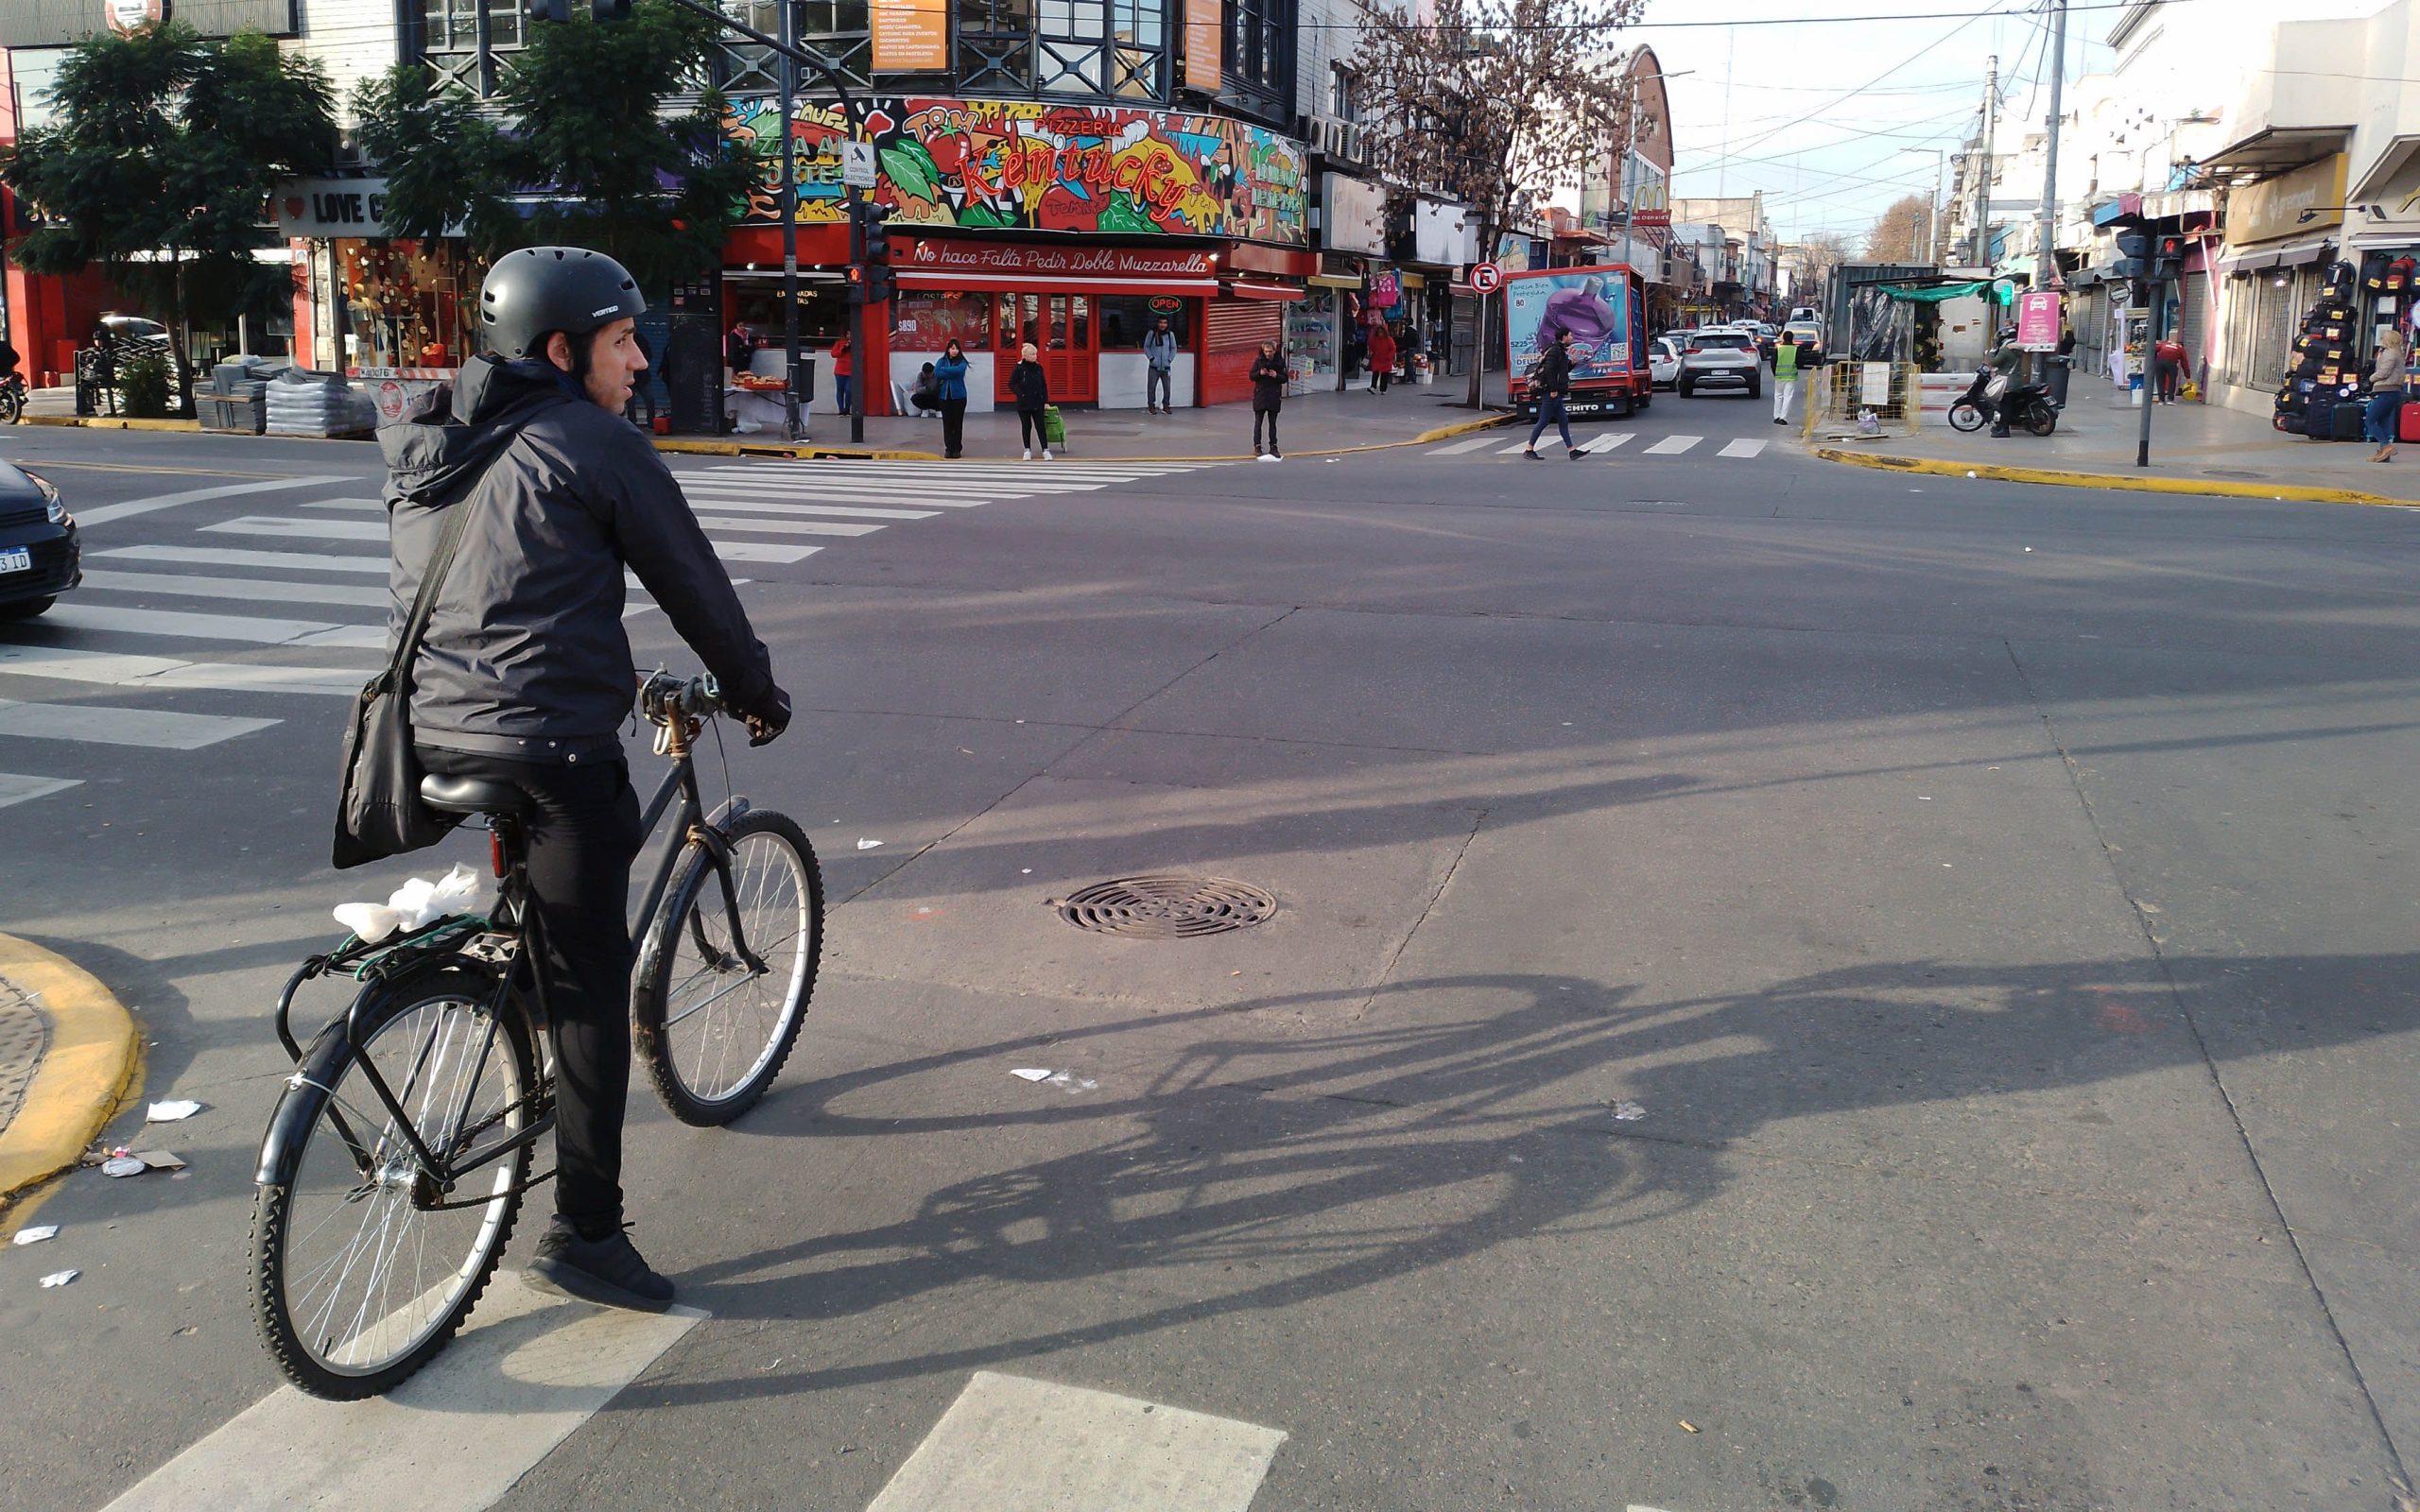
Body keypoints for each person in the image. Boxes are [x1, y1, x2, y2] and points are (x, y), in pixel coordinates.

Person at [384, 246, 790, 1313]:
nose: (639, 359)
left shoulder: (434, 437)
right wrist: (756, 691)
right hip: (553, 754)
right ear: (561, 352)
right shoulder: (593, 441)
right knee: (590, 990)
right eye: (620, 341)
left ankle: (504, 1013)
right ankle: (586, 1232)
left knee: (548, 925)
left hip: (435, 740)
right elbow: (690, 578)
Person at [1523, 328, 1582, 460]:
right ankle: (1529, 449)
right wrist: (1553, 389)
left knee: (1563, 420)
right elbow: (1549, 371)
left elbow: (1561, 371)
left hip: (1557, 392)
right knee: (1543, 421)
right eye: (1570, 335)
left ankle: (1572, 450)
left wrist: (1572, 364)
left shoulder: (1561, 351)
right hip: (1550, 392)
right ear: (1564, 337)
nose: (1572, 338)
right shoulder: (1555, 351)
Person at [2365, 326, 2407, 462]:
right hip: (2392, 391)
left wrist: (2370, 378)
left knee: (2370, 420)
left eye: (2383, 338)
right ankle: (2384, 453)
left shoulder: (2390, 354)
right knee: (2382, 421)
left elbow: (2384, 372)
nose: (2381, 340)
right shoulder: (2397, 353)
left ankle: (2386, 446)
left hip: (2387, 391)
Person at [1010, 340, 1053, 460]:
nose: (1035, 356)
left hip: (1038, 402)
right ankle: (1027, 449)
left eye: (1035, 354)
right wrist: (1021, 394)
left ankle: (1045, 449)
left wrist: (1046, 401)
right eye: (1033, 354)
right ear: (1026, 356)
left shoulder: (1039, 368)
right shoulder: (1019, 368)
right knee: (1026, 426)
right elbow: (1012, 384)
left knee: (1040, 426)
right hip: (1024, 403)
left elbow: (1043, 385)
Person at [933, 339, 971, 458]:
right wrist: (948, 371)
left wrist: (944, 370)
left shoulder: (962, 362)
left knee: (957, 423)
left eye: (956, 348)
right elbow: (937, 373)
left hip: (959, 397)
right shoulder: (942, 361)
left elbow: (959, 372)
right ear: (948, 349)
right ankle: (948, 448)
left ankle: (957, 448)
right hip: (944, 397)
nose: (954, 351)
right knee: (947, 423)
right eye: (952, 348)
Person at [1250, 339, 1286, 459]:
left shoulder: (1280, 362)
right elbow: (1251, 376)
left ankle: (1273, 446)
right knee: (1258, 423)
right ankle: (1257, 446)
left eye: (1270, 351)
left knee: (1272, 423)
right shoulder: (1258, 361)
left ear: (1274, 351)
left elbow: (1285, 378)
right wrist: (1260, 373)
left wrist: (1276, 376)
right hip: (1261, 395)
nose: (1268, 354)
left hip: (1273, 395)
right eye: (1266, 351)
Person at [1986, 328, 2023, 438]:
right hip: (2015, 380)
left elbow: (1994, 362)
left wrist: (1991, 352)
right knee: (2007, 405)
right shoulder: (2017, 350)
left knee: (2005, 406)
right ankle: (2000, 426)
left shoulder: (2005, 351)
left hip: (2007, 383)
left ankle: (2004, 430)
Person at [624, 327, 657, 431]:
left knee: (650, 398)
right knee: (630, 402)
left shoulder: (640, 339)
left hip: (642, 377)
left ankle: (651, 422)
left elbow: (648, 354)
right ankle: (632, 423)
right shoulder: (622, 341)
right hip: (629, 376)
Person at [1143, 318, 1179, 414]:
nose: (1163, 325)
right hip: (1154, 367)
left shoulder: (1170, 334)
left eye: (1165, 323)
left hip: (1166, 367)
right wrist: (1151, 358)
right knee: (1151, 387)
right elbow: (1146, 346)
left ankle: (1166, 406)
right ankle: (1151, 406)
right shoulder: (1152, 333)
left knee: (1167, 388)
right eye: (1161, 322)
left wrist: (1169, 359)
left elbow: (1173, 348)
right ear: (1157, 323)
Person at [1772, 331, 1800, 426]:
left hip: (1779, 376)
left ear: (1783, 338)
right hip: (1791, 376)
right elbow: (1799, 363)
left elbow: (1773, 363)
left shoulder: (1778, 349)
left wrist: (1775, 373)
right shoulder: (1795, 350)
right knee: (1788, 397)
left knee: (1778, 396)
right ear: (1792, 338)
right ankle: (1783, 418)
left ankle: (1776, 416)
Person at [2153, 334, 2187, 404]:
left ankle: (2161, 400)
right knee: (2172, 380)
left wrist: (2155, 360)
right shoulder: (2180, 348)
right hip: (2171, 363)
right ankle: (2170, 399)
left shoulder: (2165, 343)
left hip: (2160, 362)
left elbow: (2155, 349)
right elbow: (2185, 363)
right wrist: (2188, 376)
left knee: (2160, 381)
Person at [1367, 320, 1397, 394]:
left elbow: (1393, 348)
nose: (1380, 334)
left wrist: (1389, 356)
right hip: (1377, 358)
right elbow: (1371, 346)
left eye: (1381, 332)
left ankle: (1383, 389)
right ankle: (1373, 387)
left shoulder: (1388, 339)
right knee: (1375, 372)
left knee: (1384, 375)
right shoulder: (1374, 339)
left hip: (1386, 359)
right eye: (1379, 332)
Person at [829, 334, 853, 416]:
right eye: (848, 333)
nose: (850, 335)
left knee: (849, 390)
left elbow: (862, 355)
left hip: (851, 371)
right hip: (840, 371)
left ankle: (847, 408)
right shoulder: (839, 343)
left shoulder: (857, 343)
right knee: (840, 390)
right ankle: (841, 409)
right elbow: (833, 354)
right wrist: (843, 349)